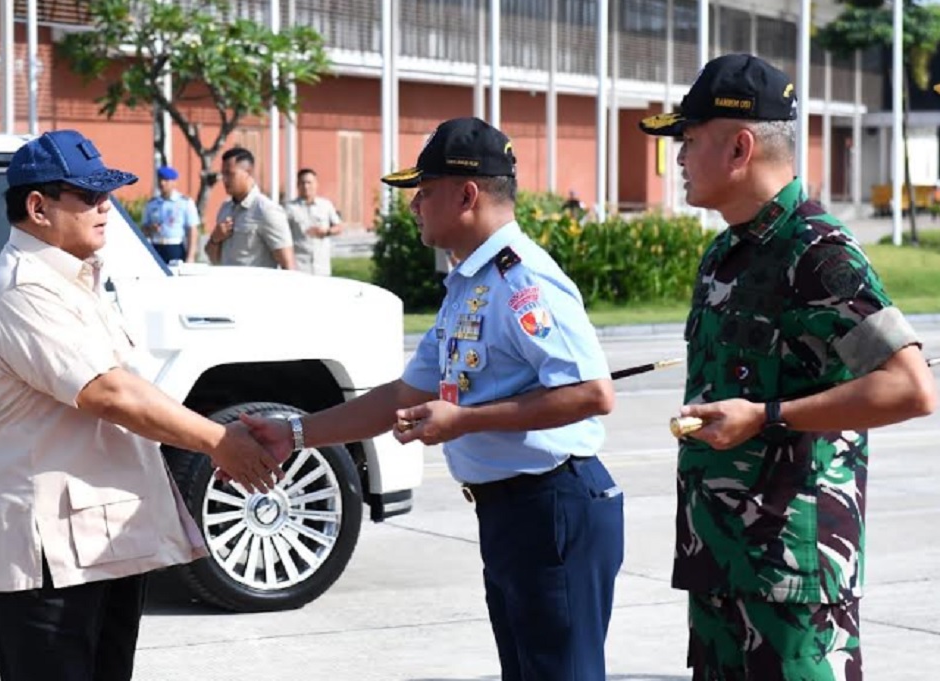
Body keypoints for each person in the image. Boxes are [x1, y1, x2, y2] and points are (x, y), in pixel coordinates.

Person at [240, 117, 622, 680]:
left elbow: (592, 393)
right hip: (514, 512)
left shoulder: (522, 282)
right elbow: (403, 393)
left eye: (425, 191)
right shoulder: (471, 283)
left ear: (467, 194)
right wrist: (295, 435)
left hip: (553, 506)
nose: (414, 205)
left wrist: (463, 420)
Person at [639, 53, 937, 680]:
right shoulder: (726, 253)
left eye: (689, 142)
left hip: (792, 582)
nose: (680, 160)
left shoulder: (819, 254)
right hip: (720, 565)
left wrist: (766, 416)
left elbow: (910, 388)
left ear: (740, 147)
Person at [0, 129, 284, 681]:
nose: (105, 206)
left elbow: (131, 387)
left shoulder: (74, 278)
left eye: (106, 193)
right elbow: (110, 393)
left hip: (95, 539)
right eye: (88, 195)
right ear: (38, 207)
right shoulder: (24, 289)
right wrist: (220, 441)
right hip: (45, 555)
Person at [205, 147, 295, 269]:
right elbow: (214, 260)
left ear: (249, 172)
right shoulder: (225, 208)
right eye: (223, 174)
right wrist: (215, 238)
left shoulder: (266, 210)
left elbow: (287, 263)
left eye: (230, 174)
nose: (224, 180)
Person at [284, 168, 343, 275]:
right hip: (300, 266)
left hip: (321, 265)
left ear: (316, 184)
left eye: (309, 183)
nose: (306, 186)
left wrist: (326, 232)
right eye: (302, 183)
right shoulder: (289, 209)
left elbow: (339, 227)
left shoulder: (326, 205)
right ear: (297, 185)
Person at [142, 165, 200, 264]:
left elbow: (192, 230)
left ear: (174, 182)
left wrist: (190, 256)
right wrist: (150, 228)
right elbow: (143, 228)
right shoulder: (152, 204)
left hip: (175, 247)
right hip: (156, 246)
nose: (162, 183)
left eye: (166, 180)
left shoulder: (184, 202)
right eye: (160, 180)